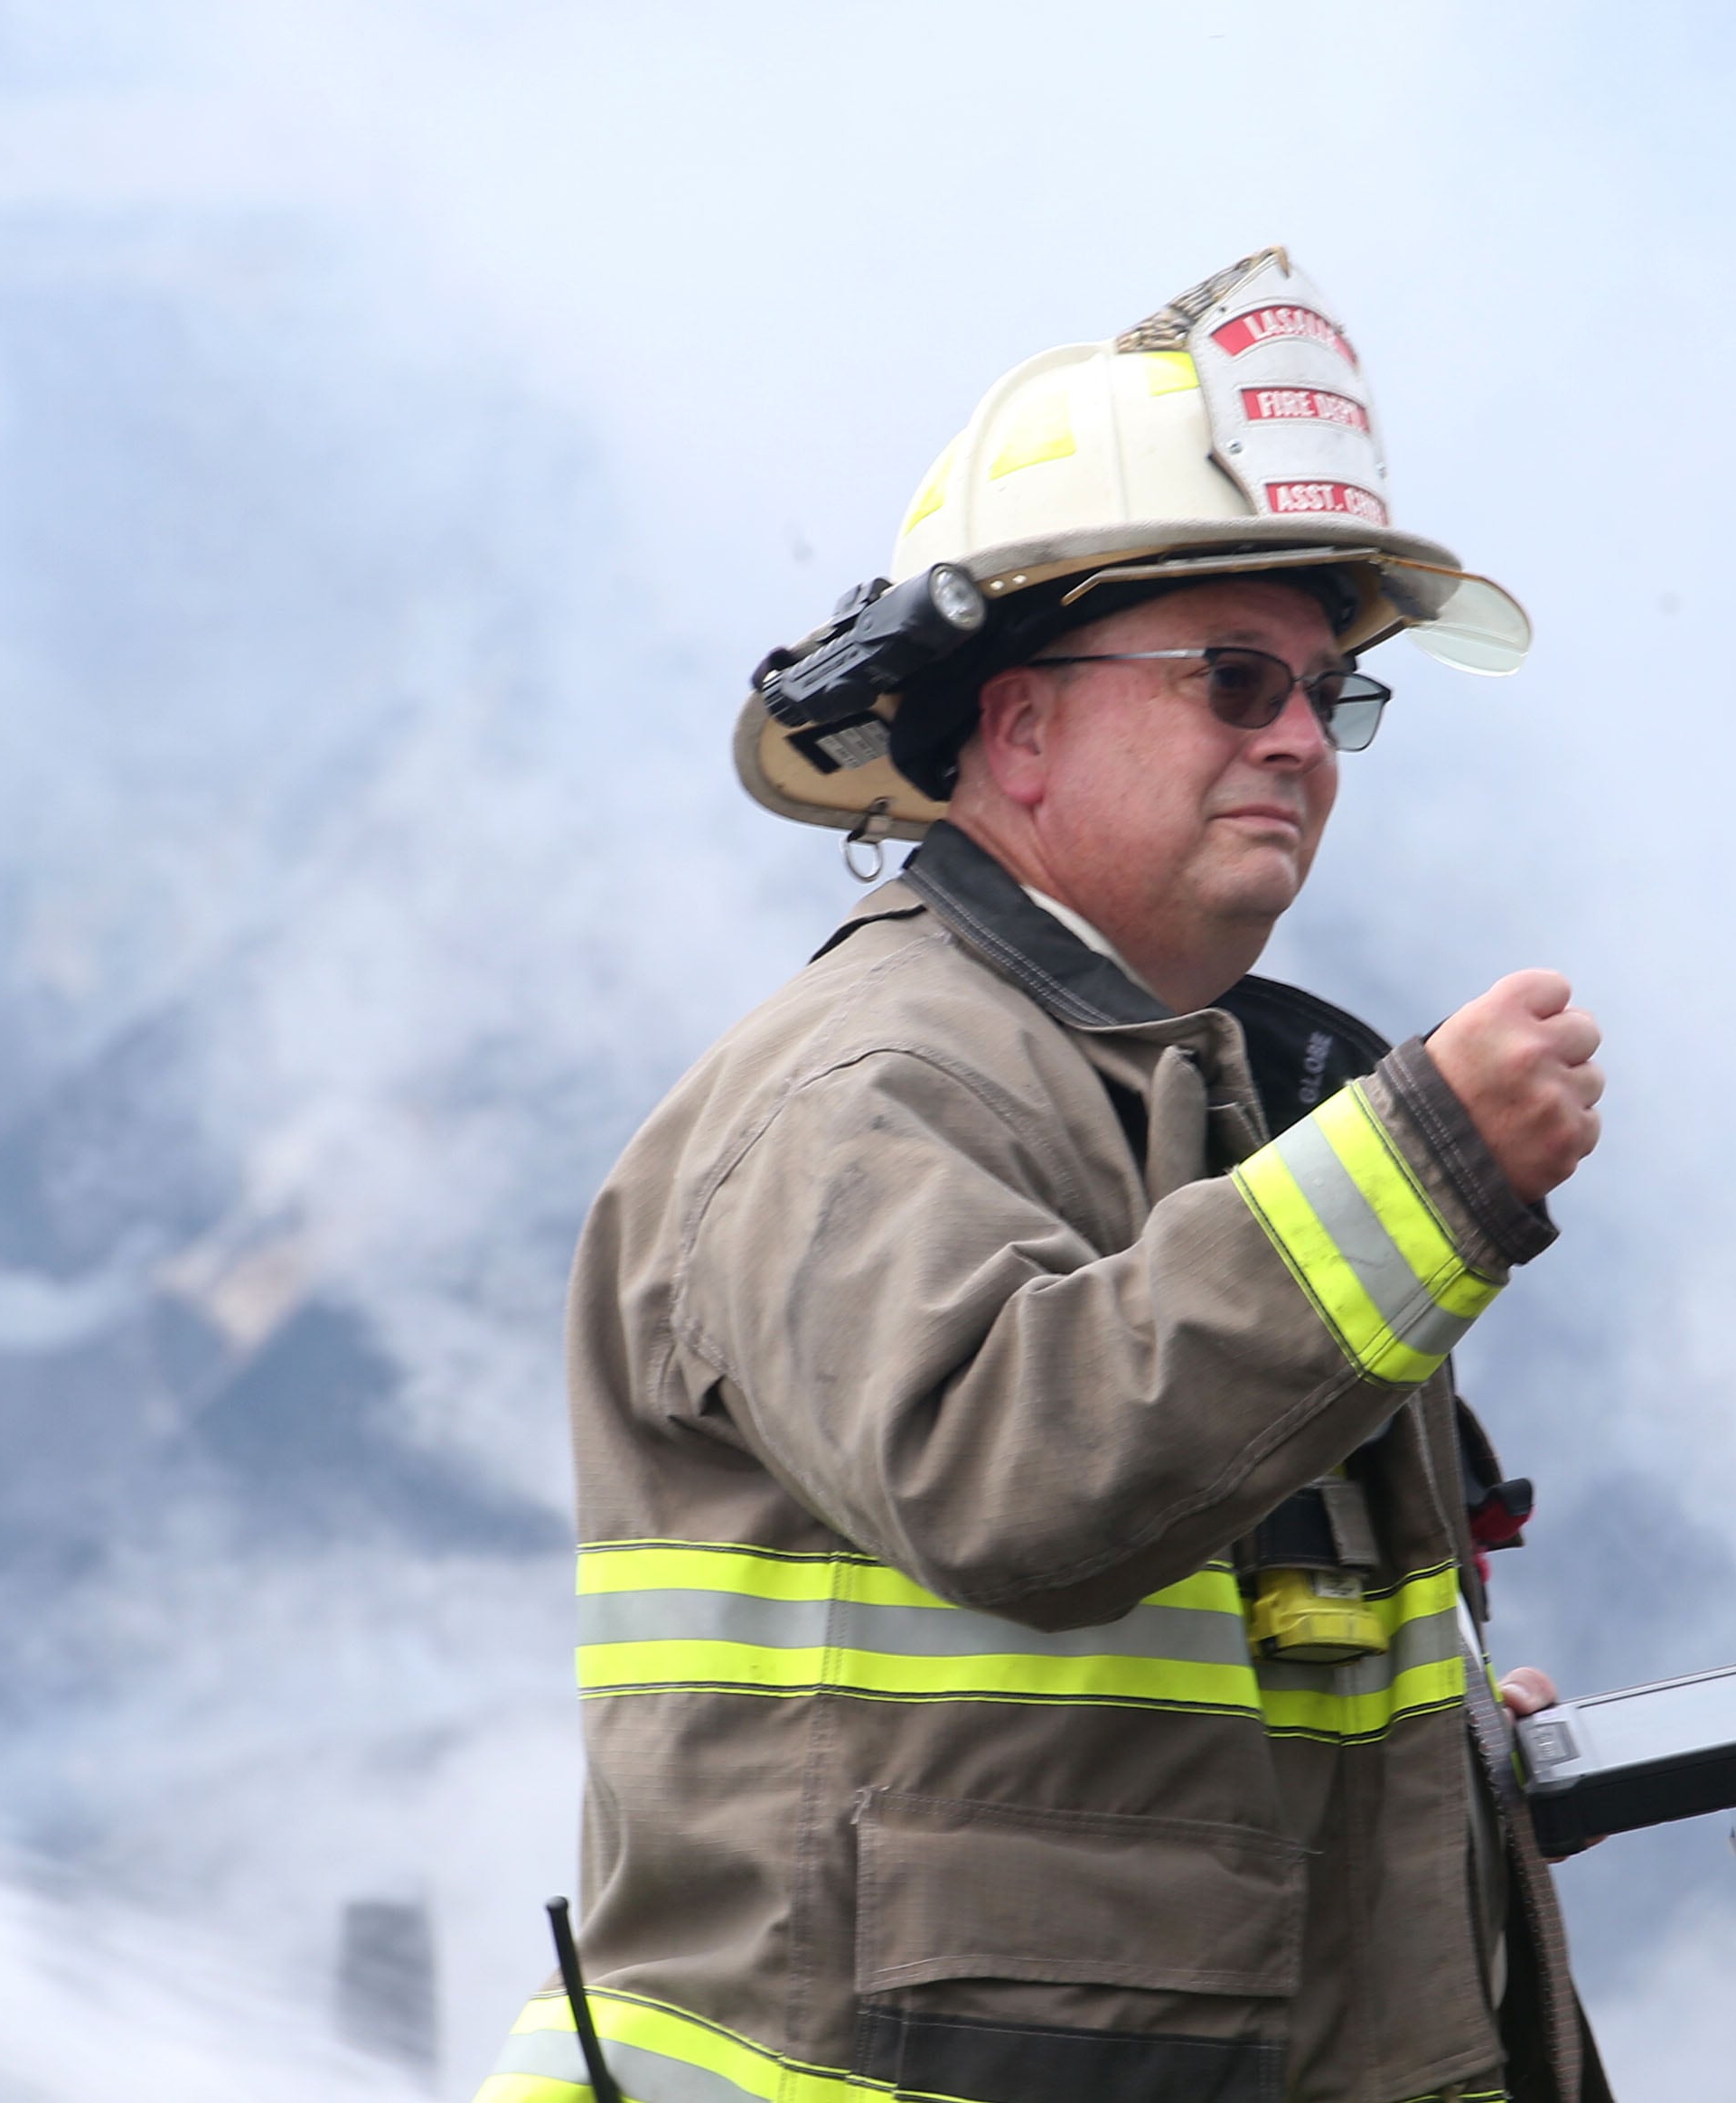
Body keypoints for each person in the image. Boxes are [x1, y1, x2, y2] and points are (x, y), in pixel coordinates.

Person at [477, 250, 1609, 2103]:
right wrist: (1424, 1182)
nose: (1299, 744)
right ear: (1011, 726)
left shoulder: (1186, 1096)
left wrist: (1430, 1772)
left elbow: (1138, 1719)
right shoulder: (866, 1090)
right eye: (1233, 678)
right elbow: (1014, 1475)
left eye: (1331, 698)